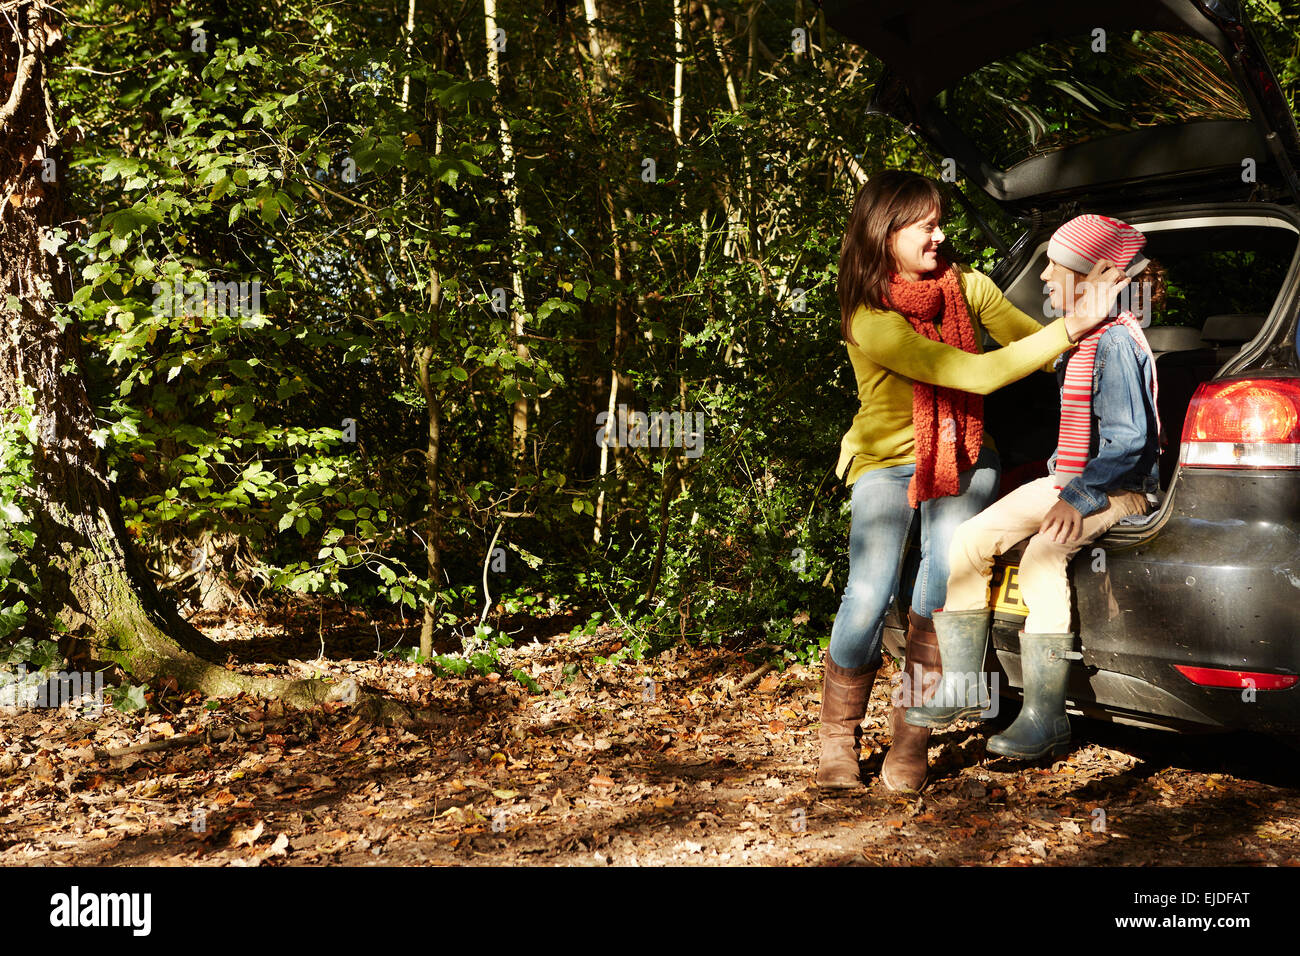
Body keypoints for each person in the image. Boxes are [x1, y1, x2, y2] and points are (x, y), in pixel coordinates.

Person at [819, 172, 1130, 791]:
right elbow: (971, 374)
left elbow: (1036, 347)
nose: (941, 235)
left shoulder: (968, 286)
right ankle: (837, 741)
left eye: (940, 222)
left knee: (937, 592)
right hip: (885, 462)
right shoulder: (869, 314)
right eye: (926, 225)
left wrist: (1102, 328)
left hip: (964, 456)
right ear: (886, 232)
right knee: (868, 595)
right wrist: (1069, 328)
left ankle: (912, 737)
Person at [905, 214, 1161, 762]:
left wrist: (1077, 497)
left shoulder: (1116, 342)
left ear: (1095, 274)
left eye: (1055, 265)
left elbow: (1129, 442)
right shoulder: (1080, 337)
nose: (1044, 276)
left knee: (1044, 555)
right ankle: (962, 686)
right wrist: (1061, 487)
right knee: (969, 540)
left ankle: (1046, 718)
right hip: (1066, 481)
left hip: (1116, 488)